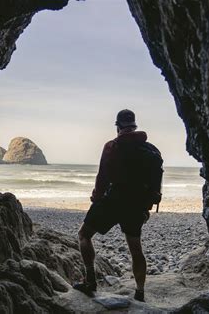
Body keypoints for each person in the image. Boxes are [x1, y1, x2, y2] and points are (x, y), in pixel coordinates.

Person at [73, 109, 152, 302]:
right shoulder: (148, 148)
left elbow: (102, 178)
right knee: (135, 248)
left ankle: (90, 281)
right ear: (134, 126)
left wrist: (96, 198)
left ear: (118, 127)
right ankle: (140, 292)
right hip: (136, 205)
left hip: (113, 201)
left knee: (84, 235)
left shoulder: (111, 146)